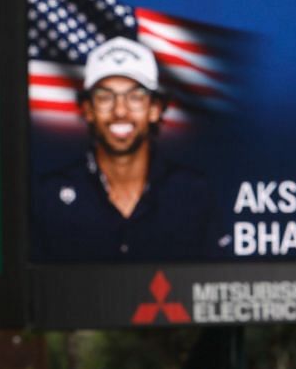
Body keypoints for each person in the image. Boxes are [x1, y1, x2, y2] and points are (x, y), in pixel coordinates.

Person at [30, 37, 223, 262]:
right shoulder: (48, 196)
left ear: (154, 108)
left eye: (135, 96)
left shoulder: (193, 192)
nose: (120, 110)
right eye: (105, 97)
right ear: (88, 109)